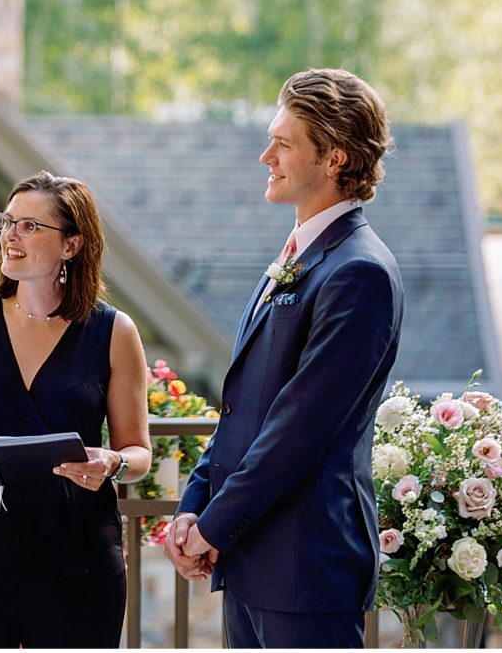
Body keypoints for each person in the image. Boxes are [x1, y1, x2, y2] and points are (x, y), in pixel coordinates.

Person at [163, 69, 404, 648]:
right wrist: (193, 509)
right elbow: (244, 407)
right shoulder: (300, 254)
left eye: (284, 143)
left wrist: (214, 526)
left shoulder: (358, 272)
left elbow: (298, 427)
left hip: (305, 565)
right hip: (252, 559)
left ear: (336, 158)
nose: (265, 155)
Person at [0, 171, 152, 647]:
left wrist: (113, 462)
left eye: (29, 226)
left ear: (72, 246)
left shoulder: (115, 332)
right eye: (7, 221)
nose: (9, 236)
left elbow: (138, 451)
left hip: (77, 549)